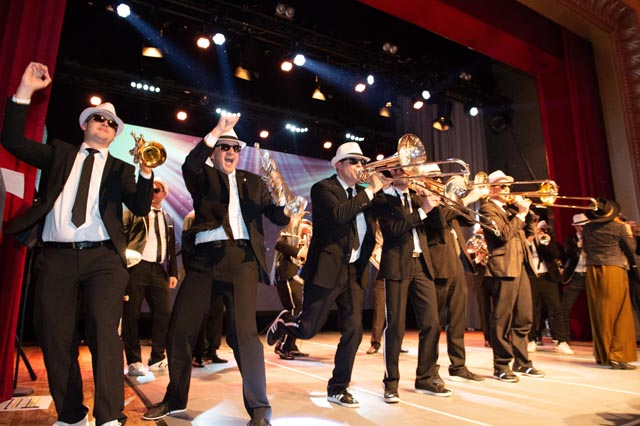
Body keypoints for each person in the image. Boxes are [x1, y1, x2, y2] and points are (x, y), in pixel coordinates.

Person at [1, 62, 153, 426]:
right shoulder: (59, 153)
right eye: (99, 119)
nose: (106, 124)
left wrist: (146, 171)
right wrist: (24, 92)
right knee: (55, 337)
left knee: (104, 334)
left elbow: (140, 205)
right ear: (85, 124)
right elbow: (12, 140)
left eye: (112, 123)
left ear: (116, 135)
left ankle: (109, 416)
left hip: (103, 260)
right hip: (56, 259)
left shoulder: (119, 169)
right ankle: (71, 415)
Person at [142, 114, 289, 426]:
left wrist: (280, 198)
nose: (230, 151)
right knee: (180, 329)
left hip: (242, 260)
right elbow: (189, 166)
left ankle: (260, 409)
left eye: (234, 146)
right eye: (224, 146)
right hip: (205, 260)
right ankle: (174, 399)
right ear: (214, 151)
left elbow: (279, 219)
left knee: (244, 336)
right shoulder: (203, 175)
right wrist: (216, 132)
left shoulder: (253, 181)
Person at [266, 142, 384, 408]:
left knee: (354, 331)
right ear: (339, 165)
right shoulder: (323, 189)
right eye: (353, 161)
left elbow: (383, 216)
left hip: (354, 271)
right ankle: (285, 322)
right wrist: (372, 190)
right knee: (307, 329)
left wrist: (389, 184)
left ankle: (338, 387)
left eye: (361, 162)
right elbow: (339, 215)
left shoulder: (366, 193)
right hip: (327, 270)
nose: (360, 167)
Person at [377, 166, 449, 402]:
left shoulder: (418, 198)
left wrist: (434, 202)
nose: (407, 173)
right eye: (401, 169)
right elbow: (394, 229)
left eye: (410, 169)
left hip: (422, 265)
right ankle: (391, 383)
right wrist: (423, 210)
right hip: (397, 264)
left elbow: (439, 226)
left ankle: (426, 378)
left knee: (432, 322)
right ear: (393, 172)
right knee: (395, 325)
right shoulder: (384, 198)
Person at [479, 170, 545, 382]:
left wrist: (527, 213)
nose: (508, 190)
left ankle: (522, 362)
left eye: (509, 186)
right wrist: (520, 214)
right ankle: (501, 365)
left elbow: (528, 234)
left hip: (521, 267)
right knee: (501, 320)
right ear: (492, 189)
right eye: (503, 186)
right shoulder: (486, 209)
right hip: (503, 268)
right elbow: (503, 236)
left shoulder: (511, 209)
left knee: (524, 318)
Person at [422, 170, 486, 383]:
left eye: (440, 178)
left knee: (458, 320)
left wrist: (461, 200)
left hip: (457, 264)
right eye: (434, 177)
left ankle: (458, 366)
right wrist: (466, 198)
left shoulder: (447, 201)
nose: (439, 181)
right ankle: (430, 371)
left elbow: (467, 219)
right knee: (434, 322)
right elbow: (439, 220)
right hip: (438, 266)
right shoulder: (422, 199)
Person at [122, 178, 178, 376]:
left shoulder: (168, 217)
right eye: (150, 189)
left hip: (158, 269)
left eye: (156, 190)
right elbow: (122, 237)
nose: (153, 193)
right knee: (131, 314)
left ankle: (157, 357)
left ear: (164, 194)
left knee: (164, 313)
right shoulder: (135, 212)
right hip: (136, 267)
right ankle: (134, 360)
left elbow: (171, 246)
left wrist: (173, 272)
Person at [582, 198, 637, 369]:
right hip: (613, 270)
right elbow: (631, 249)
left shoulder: (587, 228)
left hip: (592, 272)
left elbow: (585, 249)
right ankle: (618, 355)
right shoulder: (619, 227)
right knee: (620, 313)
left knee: (600, 313)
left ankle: (604, 355)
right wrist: (629, 233)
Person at [181, 211, 228, 367]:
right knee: (200, 314)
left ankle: (212, 351)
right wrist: (192, 270)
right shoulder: (192, 217)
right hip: (201, 269)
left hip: (219, 271)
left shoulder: (222, 216)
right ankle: (197, 353)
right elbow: (187, 244)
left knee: (216, 313)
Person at [525, 220, 573, 355]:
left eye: (535, 222)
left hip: (548, 277)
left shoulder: (545, 237)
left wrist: (544, 241)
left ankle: (561, 341)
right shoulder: (522, 237)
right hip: (531, 277)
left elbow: (556, 254)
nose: (534, 226)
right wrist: (529, 240)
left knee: (556, 309)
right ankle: (532, 339)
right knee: (532, 310)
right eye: (532, 222)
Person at [273, 213, 312, 359]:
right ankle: (283, 346)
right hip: (288, 274)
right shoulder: (289, 233)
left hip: (299, 277)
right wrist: (299, 252)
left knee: (297, 309)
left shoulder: (309, 233)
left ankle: (290, 344)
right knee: (296, 309)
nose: (306, 231)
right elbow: (278, 245)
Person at [560, 213, 589, 339]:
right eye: (579, 227)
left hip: (590, 276)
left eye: (584, 226)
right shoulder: (570, 239)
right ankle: (565, 338)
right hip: (575, 276)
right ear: (575, 227)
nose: (581, 229)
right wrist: (578, 246)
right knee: (565, 307)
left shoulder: (593, 238)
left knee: (598, 306)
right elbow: (566, 255)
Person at [366, 226, 385, 355]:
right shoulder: (373, 231)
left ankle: (395, 342)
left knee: (397, 309)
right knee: (380, 308)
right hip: (381, 271)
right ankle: (375, 342)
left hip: (396, 270)